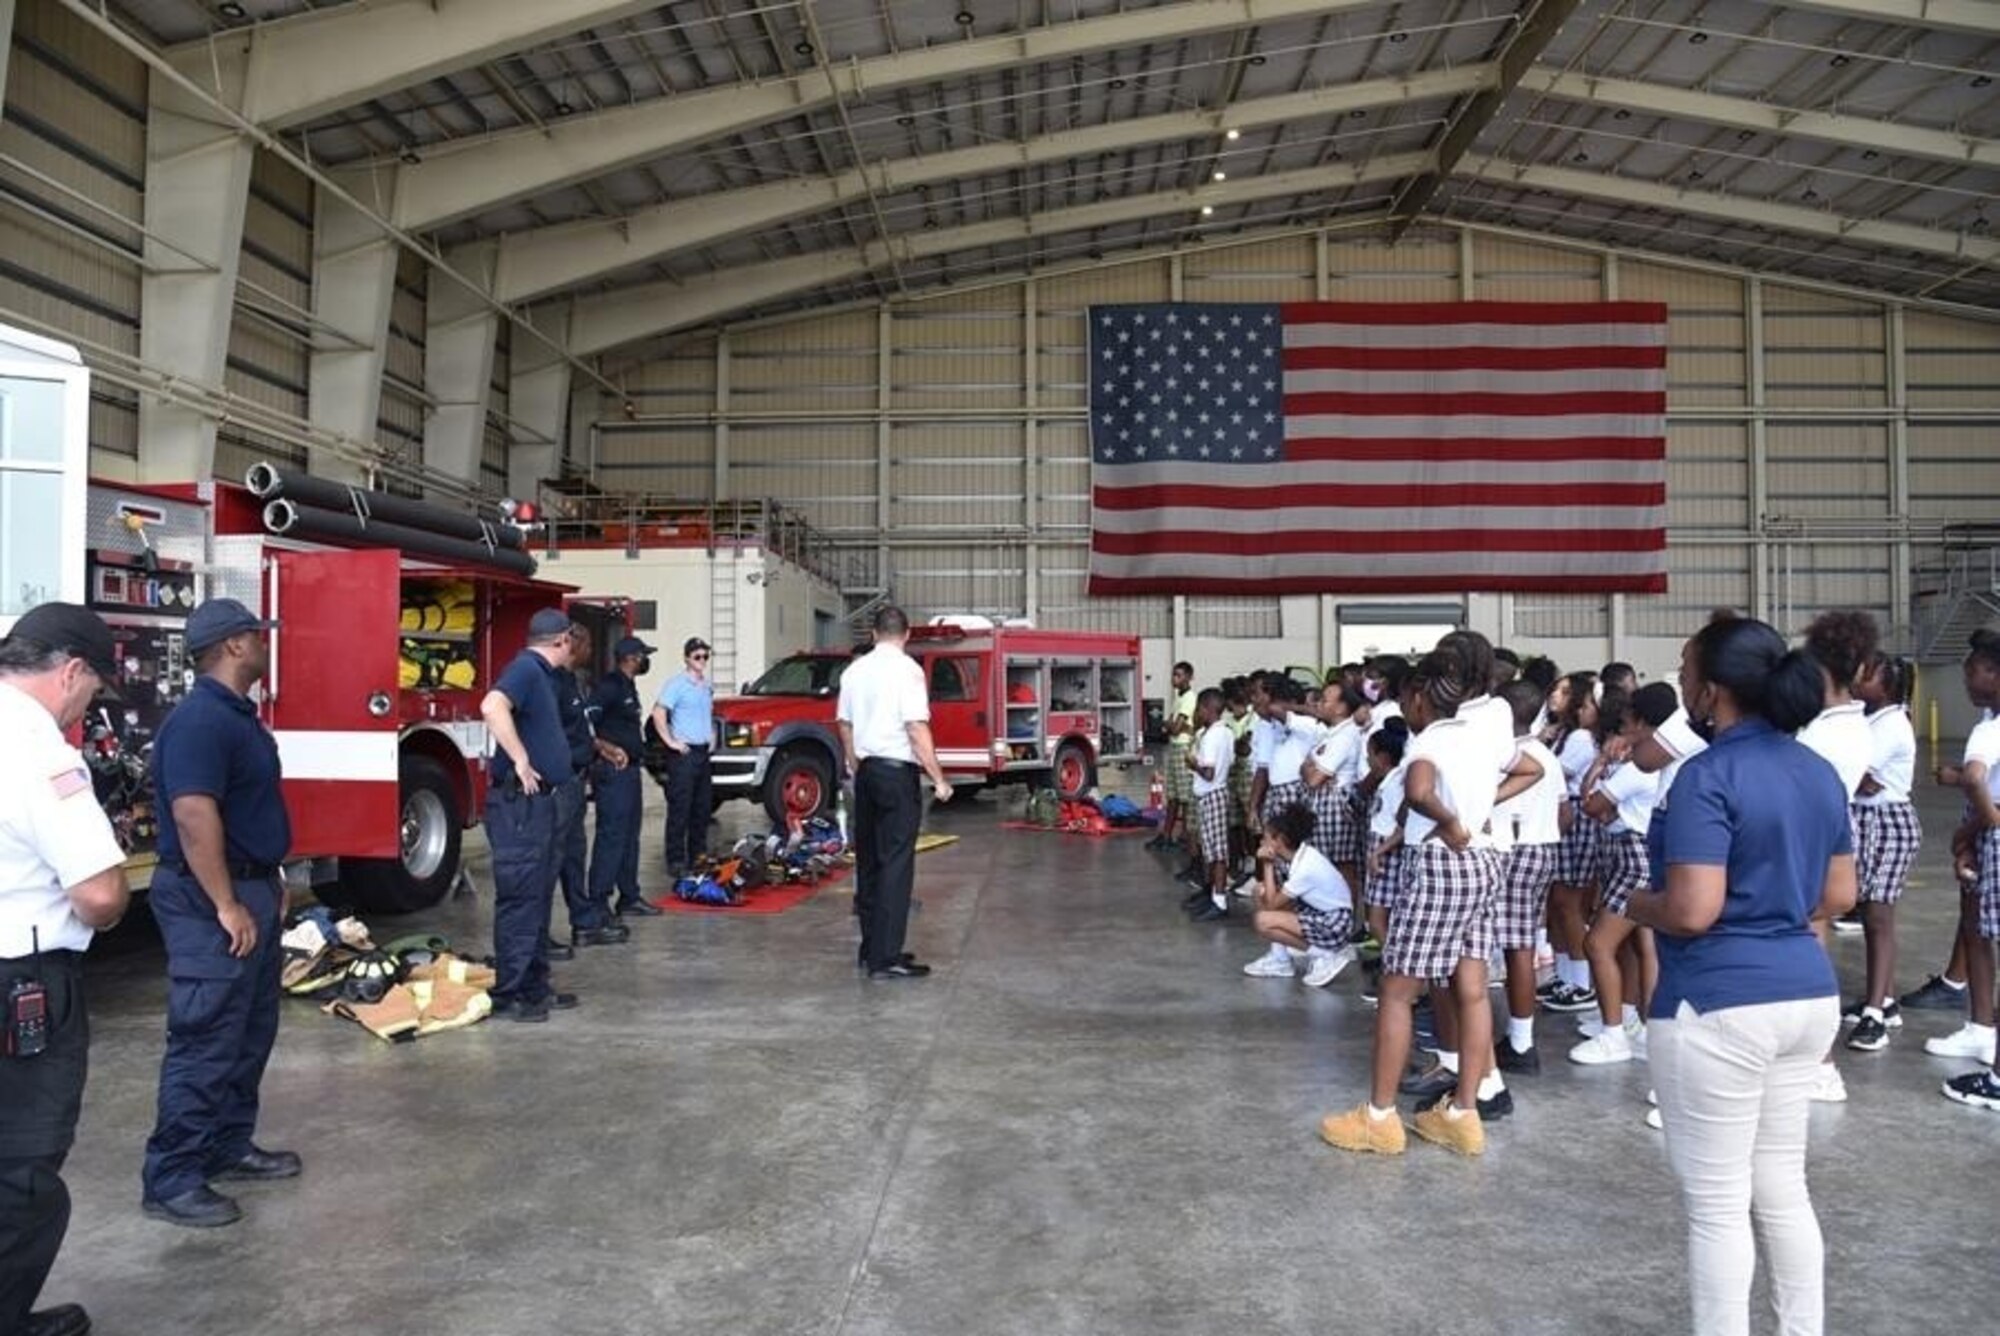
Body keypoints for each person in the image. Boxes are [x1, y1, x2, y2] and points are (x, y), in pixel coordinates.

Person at [1624, 616, 1854, 1336]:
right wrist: (1774, 908)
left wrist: (1635, 901)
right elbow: (1839, 895)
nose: (1682, 680)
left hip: (1719, 1002)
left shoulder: (1708, 775)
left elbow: (1692, 910)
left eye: (1687, 668)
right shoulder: (1814, 770)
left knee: (1719, 1204)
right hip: (1806, 992)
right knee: (1782, 1188)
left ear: (1713, 689)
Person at [141, 597, 299, 1228]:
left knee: (248, 1032)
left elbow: (245, 813)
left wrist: (270, 879)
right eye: (259, 636)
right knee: (206, 1038)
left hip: (249, 887)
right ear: (235, 645)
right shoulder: (201, 721)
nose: (266, 643)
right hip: (210, 899)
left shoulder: (237, 716)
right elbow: (193, 814)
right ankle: (172, 1177)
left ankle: (227, 1146)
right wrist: (226, 902)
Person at [0, 604, 130, 1336]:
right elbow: (103, 892)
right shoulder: (40, 751)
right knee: (21, 1169)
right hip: (19, 980)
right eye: (92, 694)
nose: (87, 710)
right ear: (71, 671)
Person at [1320, 642, 1498, 1157]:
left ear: (1421, 699)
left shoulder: (1430, 742)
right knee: (1473, 986)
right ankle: (1463, 1113)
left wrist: (1448, 822)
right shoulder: (1482, 735)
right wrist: (1471, 818)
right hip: (1485, 863)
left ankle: (1378, 1118)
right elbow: (1519, 770)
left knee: (1398, 990)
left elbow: (1418, 790)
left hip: (1442, 863)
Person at [837, 607, 952, 980]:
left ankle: (871, 948)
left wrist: (855, 764)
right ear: (905, 636)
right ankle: (886, 959)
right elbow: (916, 728)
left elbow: (844, 723)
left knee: (869, 862)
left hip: (867, 772)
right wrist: (939, 778)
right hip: (896, 774)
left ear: (873, 634)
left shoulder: (855, 671)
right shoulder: (908, 671)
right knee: (896, 864)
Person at [478, 608, 579, 1023]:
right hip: (520, 807)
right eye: (572, 640)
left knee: (536, 897)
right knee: (521, 899)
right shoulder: (525, 670)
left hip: (540, 806)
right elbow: (491, 705)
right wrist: (520, 759)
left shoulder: (541, 675)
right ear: (562, 640)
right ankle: (510, 994)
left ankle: (535, 985)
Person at [1844, 653, 1919, 1052]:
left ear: (1886, 687)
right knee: (1871, 914)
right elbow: (1856, 778)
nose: (1857, 678)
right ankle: (1883, 1001)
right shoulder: (1867, 717)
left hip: (1887, 822)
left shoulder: (1891, 725)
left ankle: (1875, 1015)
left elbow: (1857, 775)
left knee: (1879, 917)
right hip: (1866, 818)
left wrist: (1857, 777)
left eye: (1866, 675)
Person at [1491, 679, 1563, 1075]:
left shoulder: (1510, 756)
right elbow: (1564, 812)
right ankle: (1518, 1036)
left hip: (1515, 850)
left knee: (1516, 949)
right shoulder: (1545, 755)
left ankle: (1521, 1044)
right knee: (1521, 943)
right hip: (1543, 848)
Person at [557, 623, 628, 950]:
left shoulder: (572, 681)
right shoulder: (552, 681)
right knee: (551, 859)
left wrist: (602, 747)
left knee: (574, 855)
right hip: (560, 782)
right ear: (575, 644)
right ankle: (538, 937)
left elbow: (580, 729)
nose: (592, 653)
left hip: (576, 779)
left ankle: (583, 923)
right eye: (588, 647)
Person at [1241, 802, 1357, 987]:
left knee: (1263, 920)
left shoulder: (1305, 867)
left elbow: (1271, 907)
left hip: (1334, 923)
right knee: (1260, 890)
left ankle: (1324, 956)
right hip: (1319, 913)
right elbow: (1274, 900)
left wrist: (1267, 865)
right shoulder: (1298, 857)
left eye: (1266, 838)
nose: (1262, 842)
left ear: (1279, 841)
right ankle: (1280, 958)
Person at [590, 636, 660, 920]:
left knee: (630, 837)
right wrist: (605, 749)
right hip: (613, 773)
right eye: (643, 655)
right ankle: (598, 901)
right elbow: (586, 725)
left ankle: (629, 897)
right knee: (612, 836)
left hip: (631, 771)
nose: (646, 661)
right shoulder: (609, 686)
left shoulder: (628, 685)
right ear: (631, 658)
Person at [651, 637, 716, 878]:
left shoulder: (706, 685)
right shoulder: (676, 684)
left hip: (701, 752)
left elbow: (708, 712)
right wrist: (671, 742)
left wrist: (711, 735)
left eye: (705, 657)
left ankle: (697, 854)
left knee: (702, 808)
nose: (702, 661)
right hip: (683, 754)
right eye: (697, 656)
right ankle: (676, 859)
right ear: (687, 658)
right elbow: (659, 712)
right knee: (680, 808)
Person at [1184, 689, 1235, 919]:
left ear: (1207, 709)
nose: (1197, 713)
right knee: (1212, 850)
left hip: (1212, 793)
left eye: (1199, 709)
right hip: (1214, 794)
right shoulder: (1225, 732)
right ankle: (1212, 893)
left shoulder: (1213, 736)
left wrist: (1193, 763)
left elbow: (1209, 772)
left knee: (1217, 853)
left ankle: (1220, 900)